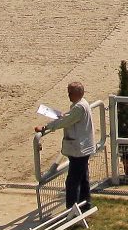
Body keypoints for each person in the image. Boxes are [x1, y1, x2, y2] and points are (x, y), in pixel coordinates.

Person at [36, 81, 96, 210]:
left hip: (79, 149)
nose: (68, 95)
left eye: (70, 93)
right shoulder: (81, 104)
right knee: (83, 178)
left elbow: (65, 122)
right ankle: (85, 205)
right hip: (83, 148)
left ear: (76, 94)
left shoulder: (79, 107)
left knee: (72, 181)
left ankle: (71, 210)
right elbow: (69, 118)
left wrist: (46, 127)